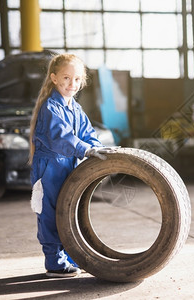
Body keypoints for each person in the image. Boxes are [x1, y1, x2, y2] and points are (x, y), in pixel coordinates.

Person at [28, 53, 115, 278]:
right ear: (54, 78)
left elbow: (87, 132)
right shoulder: (51, 107)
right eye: (67, 78)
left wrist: (96, 148)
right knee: (50, 214)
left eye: (77, 79)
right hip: (49, 167)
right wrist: (85, 150)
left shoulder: (75, 108)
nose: (72, 84)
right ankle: (54, 262)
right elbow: (60, 138)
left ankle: (71, 256)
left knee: (69, 212)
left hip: (69, 165)